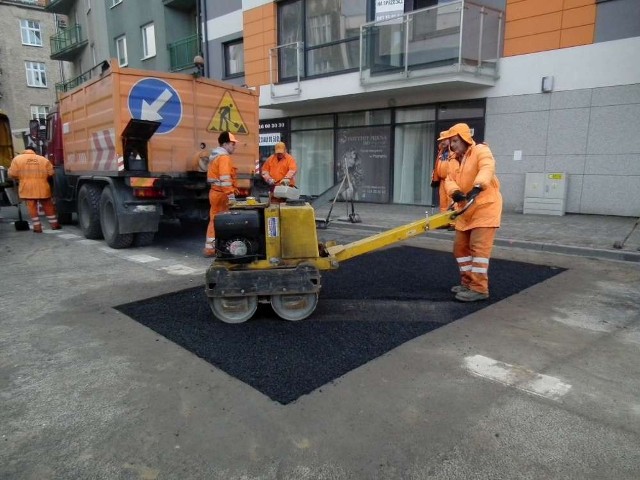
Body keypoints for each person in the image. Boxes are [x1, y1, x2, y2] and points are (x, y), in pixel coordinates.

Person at [442, 123, 502, 302]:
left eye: (455, 141)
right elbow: (449, 180)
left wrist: (478, 186)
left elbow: (487, 167)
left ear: (465, 138)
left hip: (485, 208)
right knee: (460, 248)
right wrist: (455, 193)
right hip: (465, 210)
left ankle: (479, 288)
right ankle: (467, 282)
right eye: (450, 142)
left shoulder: (481, 150)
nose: (452, 145)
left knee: (478, 250)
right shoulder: (453, 160)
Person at [8, 148, 61, 233]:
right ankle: (54, 225)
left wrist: (19, 177)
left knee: (32, 207)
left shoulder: (17, 159)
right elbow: (51, 173)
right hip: (43, 186)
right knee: (48, 206)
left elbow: (12, 174)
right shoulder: (43, 159)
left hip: (27, 187)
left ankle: (37, 227)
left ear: (24, 151)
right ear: (34, 151)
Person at [203, 132, 238, 257]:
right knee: (224, 221)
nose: (234, 147)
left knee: (214, 219)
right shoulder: (224, 158)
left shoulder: (215, 156)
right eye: (232, 144)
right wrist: (231, 195)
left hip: (215, 192)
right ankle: (219, 248)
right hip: (222, 194)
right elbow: (225, 178)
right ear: (225, 144)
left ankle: (212, 247)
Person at [431, 131, 454, 229]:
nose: (442, 142)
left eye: (444, 139)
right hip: (442, 180)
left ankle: (454, 223)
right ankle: (444, 222)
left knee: (452, 202)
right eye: (441, 140)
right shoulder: (441, 151)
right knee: (443, 203)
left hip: (451, 180)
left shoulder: (454, 151)